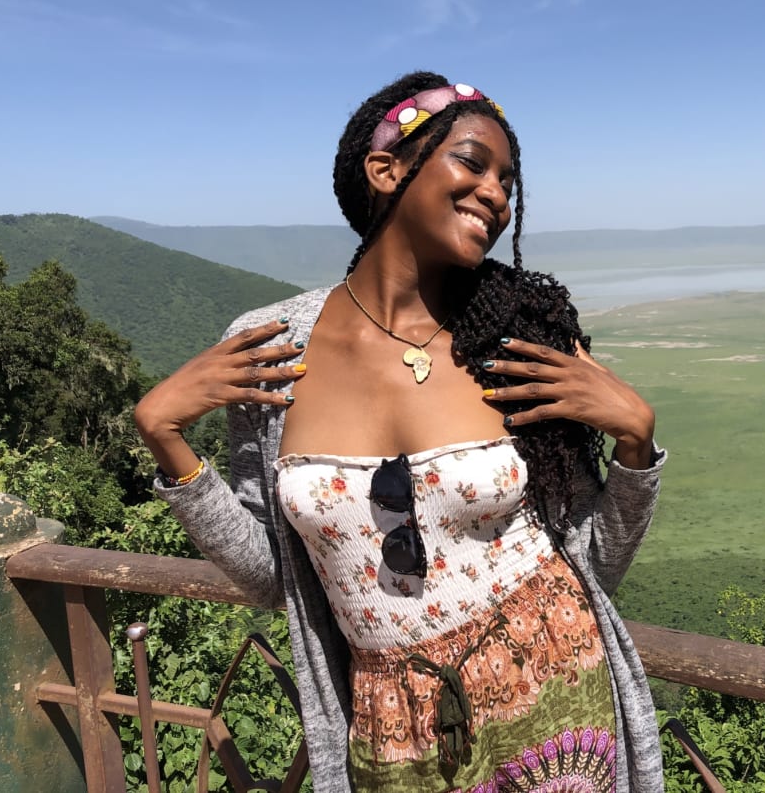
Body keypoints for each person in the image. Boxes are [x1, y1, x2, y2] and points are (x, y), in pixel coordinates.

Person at [135, 71, 665, 793]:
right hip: (392, 722)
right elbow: (273, 577)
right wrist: (169, 442)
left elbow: (592, 566)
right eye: (473, 162)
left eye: (509, 181)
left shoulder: (517, 342)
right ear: (385, 169)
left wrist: (635, 444)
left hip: (557, 692)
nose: (497, 196)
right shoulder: (271, 347)